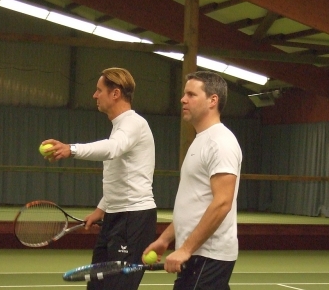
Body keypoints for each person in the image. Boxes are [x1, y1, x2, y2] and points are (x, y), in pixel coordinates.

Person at [42, 67, 157, 290]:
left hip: (133, 218)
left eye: (99, 90)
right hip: (115, 218)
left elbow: (112, 149)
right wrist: (101, 209)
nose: (95, 95)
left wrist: (71, 149)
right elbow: (119, 176)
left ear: (115, 93)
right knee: (96, 286)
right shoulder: (119, 128)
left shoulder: (133, 124)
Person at [143, 71, 242, 290]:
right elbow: (194, 205)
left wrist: (186, 249)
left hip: (208, 256)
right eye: (184, 94)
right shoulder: (200, 141)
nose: (183, 99)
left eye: (191, 94)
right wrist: (166, 239)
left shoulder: (220, 143)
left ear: (212, 100)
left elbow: (222, 203)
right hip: (197, 255)